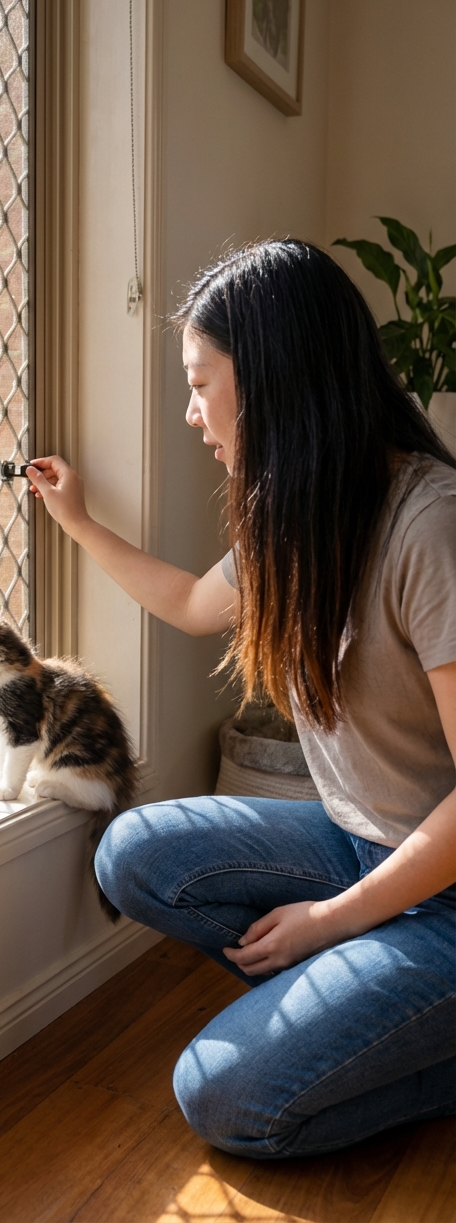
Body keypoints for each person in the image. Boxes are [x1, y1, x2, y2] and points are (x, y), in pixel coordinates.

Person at [24, 239, 456, 1159]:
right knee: (135, 851)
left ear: (271, 381)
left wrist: (334, 924)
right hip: (360, 844)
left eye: (200, 382)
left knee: (222, 1099)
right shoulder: (300, 514)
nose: (190, 413)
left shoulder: (433, 526)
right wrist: (79, 521)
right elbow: (188, 605)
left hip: (446, 892)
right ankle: (370, 1000)